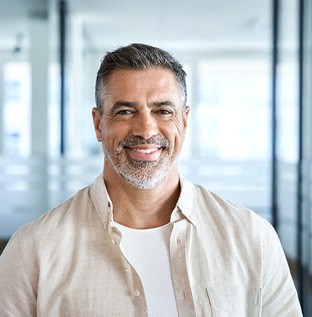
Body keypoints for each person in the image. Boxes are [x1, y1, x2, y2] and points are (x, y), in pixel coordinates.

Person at [0, 43, 302, 317]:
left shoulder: (252, 238)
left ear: (184, 121)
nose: (146, 129)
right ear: (97, 124)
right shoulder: (33, 250)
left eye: (162, 110)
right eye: (125, 111)